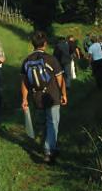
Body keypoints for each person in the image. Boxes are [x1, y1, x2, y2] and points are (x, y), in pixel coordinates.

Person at [21, 31, 67, 163]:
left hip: (37, 97)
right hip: (52, 95)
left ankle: (49, 146)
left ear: (32, 44)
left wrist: (24, 99)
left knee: (44, 124)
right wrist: (63, 94)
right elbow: (60, 79)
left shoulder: (27, 60)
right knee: (53, 123)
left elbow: (24, 82)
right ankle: (48, 150)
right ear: (45, 44)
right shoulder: (51, 59)